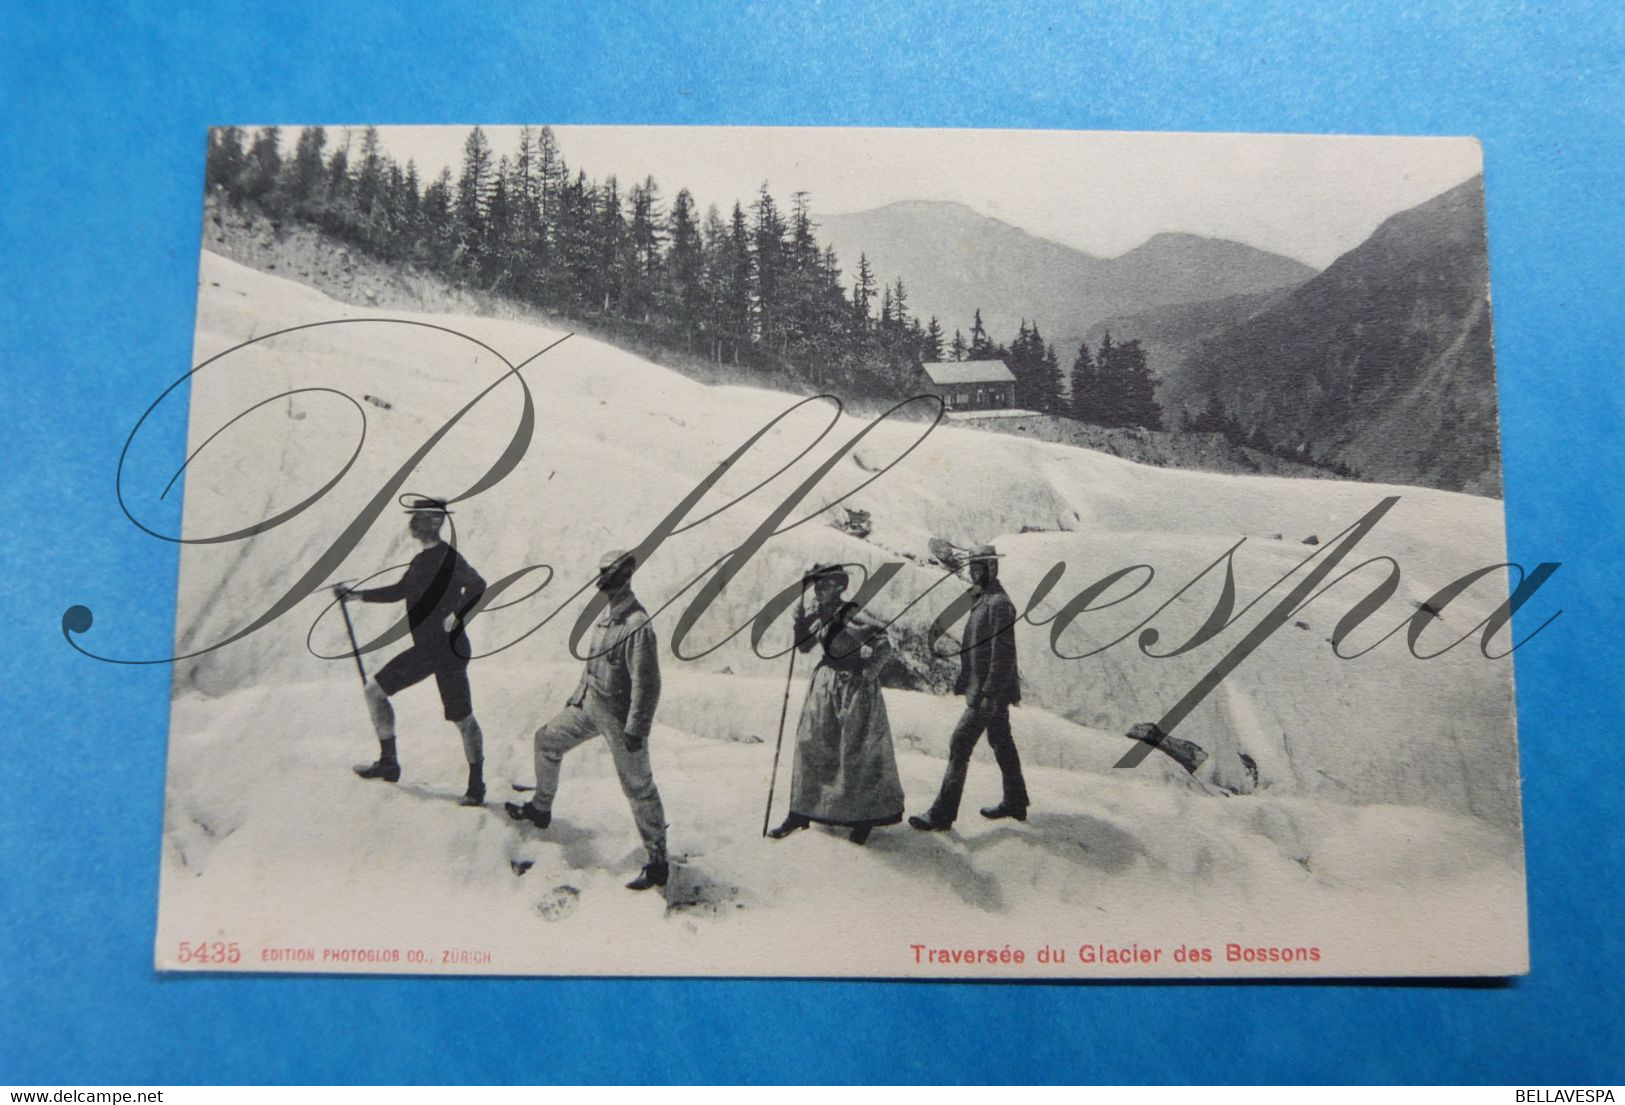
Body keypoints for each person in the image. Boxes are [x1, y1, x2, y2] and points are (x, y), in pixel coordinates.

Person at [506, 550, 670, 892]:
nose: (603, 581)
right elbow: (593, 667)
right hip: (589, 706)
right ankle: (541, 809)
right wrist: (577, 698)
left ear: (625, 577)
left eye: (609, 574)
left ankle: (657, 862)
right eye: (602, 574)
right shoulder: (607, 618)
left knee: (638, 787)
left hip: (621, 719)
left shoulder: (637, 624)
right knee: (546, 740)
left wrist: (636, 729)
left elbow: (647, 682)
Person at [335, 497, 489, 807]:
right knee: (374, 691)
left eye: (419, 517)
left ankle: (476, 786)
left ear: (435, 521)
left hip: (449, 650)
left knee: (461, 717)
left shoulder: (449, 558)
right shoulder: (421, 560)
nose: (412, 523)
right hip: (426, 649)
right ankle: (388, 763)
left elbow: (478, 585)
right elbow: (399, 591)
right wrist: (356, 596)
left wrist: (457, 614)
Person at [768, 564, 904, 846]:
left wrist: (869, 672)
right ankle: (800, 811)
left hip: (854, 685)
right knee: (810, 743)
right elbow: (804, 647)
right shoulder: (819, 615)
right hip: (825, 683)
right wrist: (800, 621)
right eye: (817, 585)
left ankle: (862, 817)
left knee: (854, 751)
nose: (819, 590)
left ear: (841, 587)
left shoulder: (852, 613)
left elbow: (885, 644)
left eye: (826, 585)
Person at [909, 544, 1030, 831]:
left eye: (980, 568)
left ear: (993, 568)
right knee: (1001, 741)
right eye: (972, 568)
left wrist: (988, 693)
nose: (974, 573)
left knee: (960, 743)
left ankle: (941, 814)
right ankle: (1016, 800)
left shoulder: (999, 604)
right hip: (988, 689)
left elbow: (1003, 654)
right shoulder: (983, 599)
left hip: (988, 692)